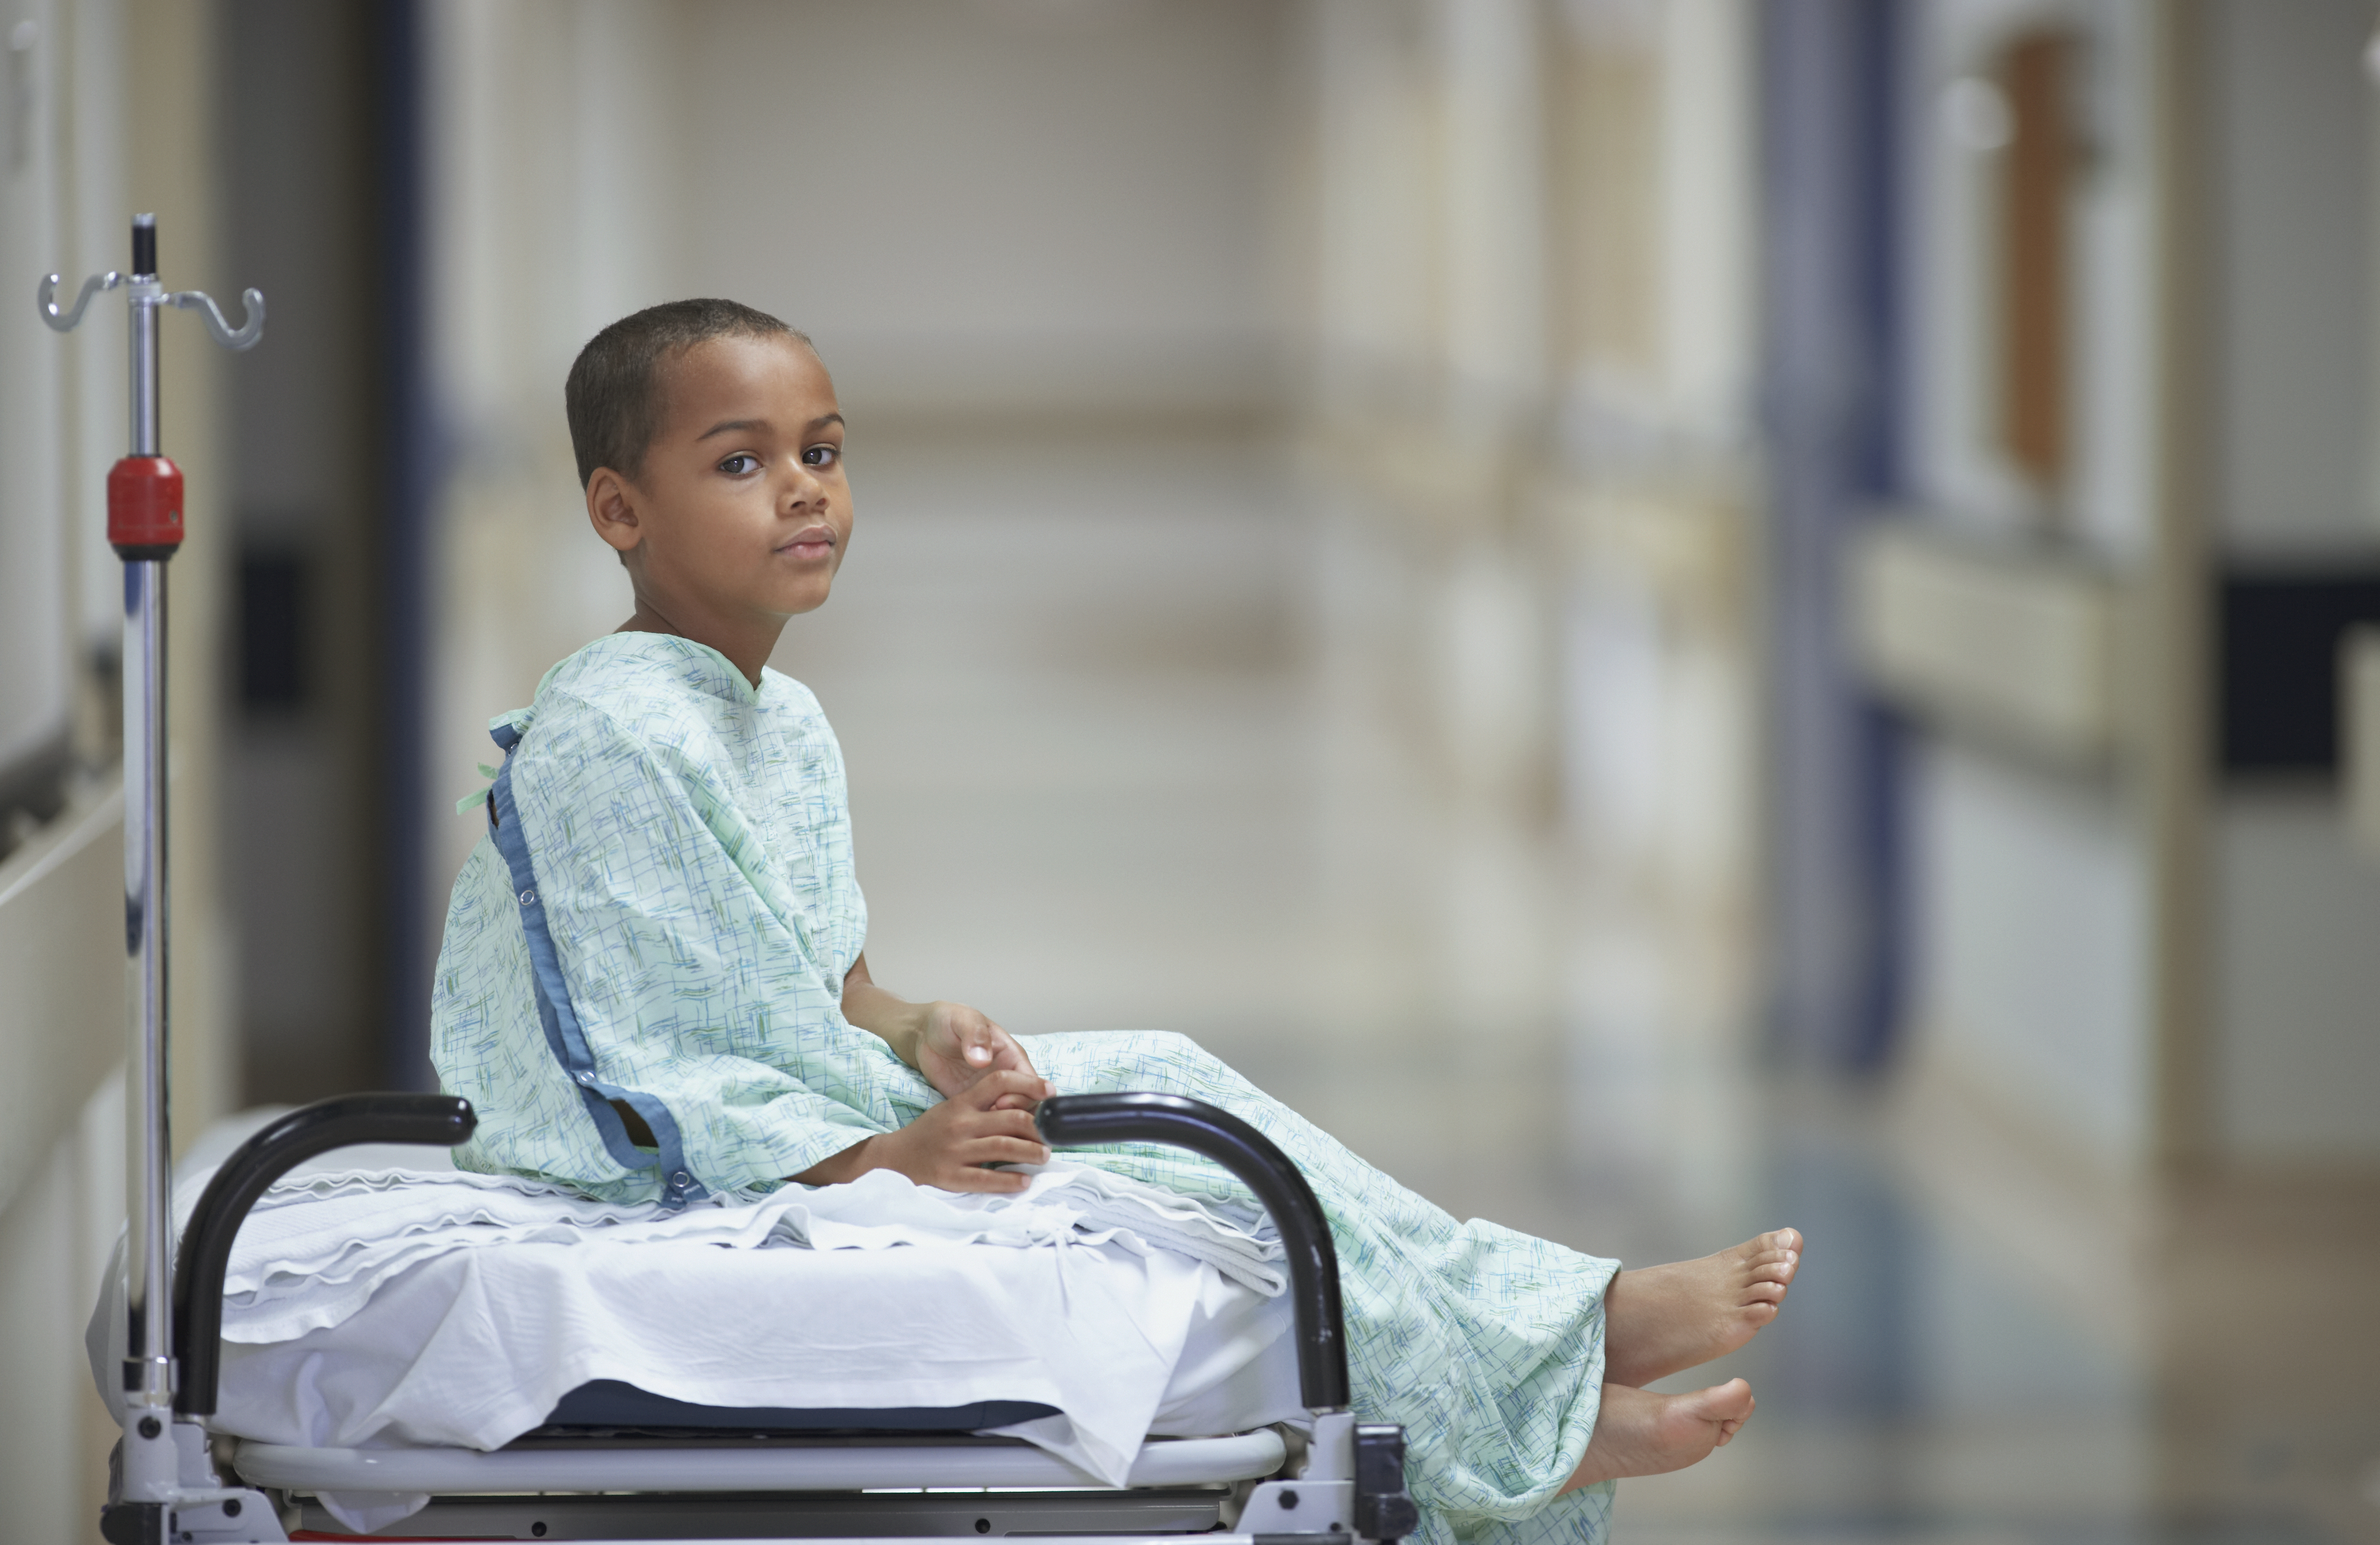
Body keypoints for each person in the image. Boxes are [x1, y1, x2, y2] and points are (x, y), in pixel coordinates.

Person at [429, 299, 1802, 1545]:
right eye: (741, 462)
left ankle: (1549, 1361)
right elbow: (647, 1066)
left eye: (827, 453)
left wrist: (923, 1029)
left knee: (1173, 1074)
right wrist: (887, 1160)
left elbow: (819, 986)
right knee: (1180, 1113)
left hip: (796, 1101)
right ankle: (1543, 1387)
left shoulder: (779, 720)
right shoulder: (613, 730)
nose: (803, 489)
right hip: (653, 1153)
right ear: (619, 510)